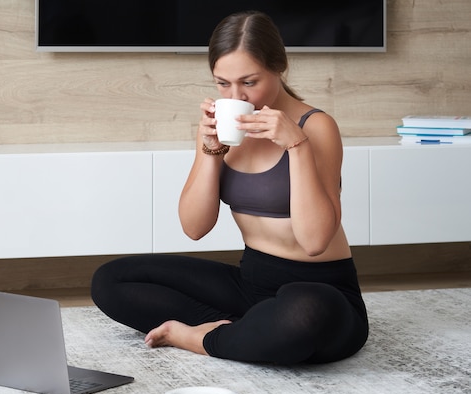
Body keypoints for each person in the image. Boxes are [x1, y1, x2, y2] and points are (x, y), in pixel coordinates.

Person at [91, 10, 368, 365]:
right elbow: (195, 228)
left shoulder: (316, 127)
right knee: (111, 280)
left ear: (278, 66)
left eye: (249, 82)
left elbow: (315, 242)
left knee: (304, 312)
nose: (237, 95)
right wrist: (209, 151)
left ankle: (199, 337)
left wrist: (296, 146)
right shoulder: (220, 128)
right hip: (250, 285)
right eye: (223, 84)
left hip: (321, 290)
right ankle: (249, 331)